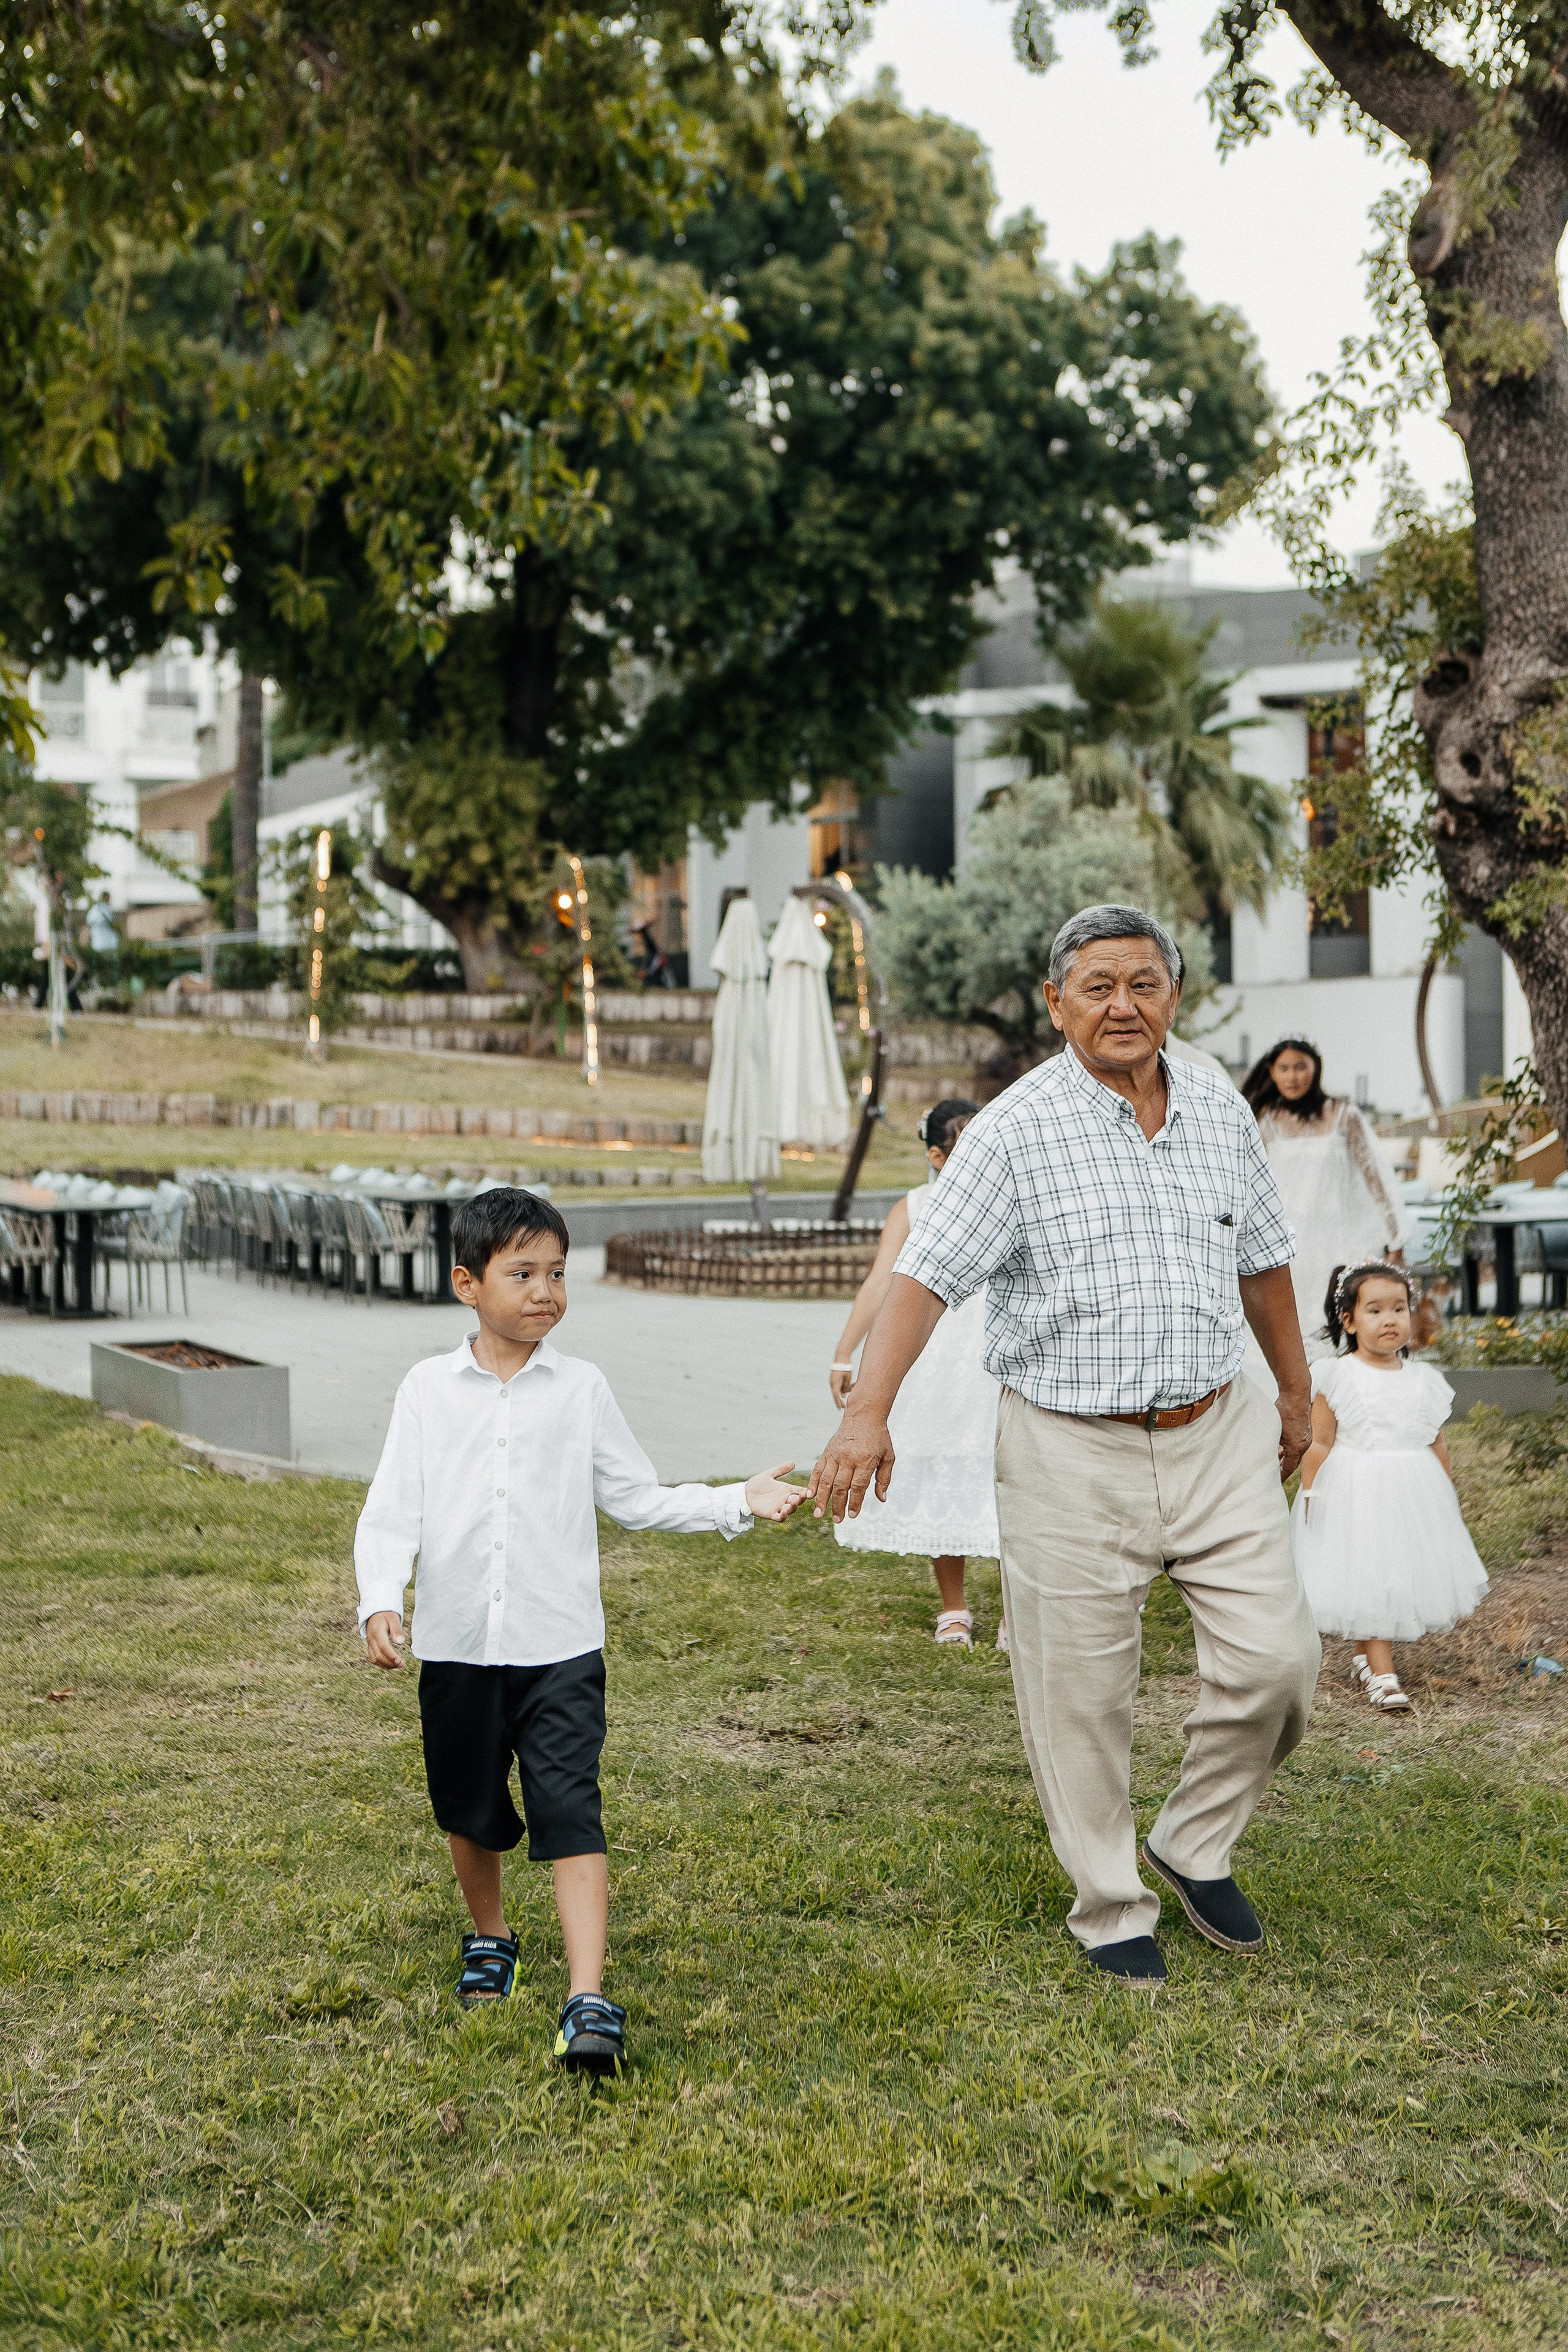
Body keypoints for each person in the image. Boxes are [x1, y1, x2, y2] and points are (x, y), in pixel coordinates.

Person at [809, 903, 1322, 1988]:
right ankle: (1111, 1902)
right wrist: (869, 1413)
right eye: (1097, 987)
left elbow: (1265, 1262)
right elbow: (926, 1277)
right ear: (1058, 1004)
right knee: (1078, 1697)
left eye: (1144, 983)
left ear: (1174, 994)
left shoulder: (1223, 1109)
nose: (1123, 1006)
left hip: (1216, 1430)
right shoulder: (1011, 1131)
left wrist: (1292, 1389)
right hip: (1067, 1448)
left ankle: (1191, 1843)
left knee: (1280, 1666)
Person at [355, 1186, 804, 2074]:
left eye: (557, 1273)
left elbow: (634, 1498)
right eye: (521, 1274)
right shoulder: (426, 1391)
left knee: (570, 1807)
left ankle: (588, 1998)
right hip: (457, 1648)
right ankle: (493, 1934)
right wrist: (381, 1597)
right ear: (466, 1285)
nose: (545, 1292)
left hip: (561, 1646)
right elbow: (391, 1508)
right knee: (468, 1807)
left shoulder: (582, 1388)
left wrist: (733, 1501)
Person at [829, 1098, 1004, 1650]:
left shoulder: (1009, 1203)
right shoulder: (915, 1208)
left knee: (1008, 1476)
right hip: (933, 1361)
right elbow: (881, 1284)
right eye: (965, 1148)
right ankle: (954, 1608)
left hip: (996, 1357)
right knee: (941, 1468)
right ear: (937, 1155)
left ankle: (1022, 1613)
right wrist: (845, 1353)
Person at [1292, 1260, 1488, 1716]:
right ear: (1349, 1320)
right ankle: (1382, 1670)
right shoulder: (1337, 1376)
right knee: (1370, 1572)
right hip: (1355, 1488)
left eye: (1399, 1309)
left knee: (1395, 1570)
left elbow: (1436, 1442)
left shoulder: (1425, 1381)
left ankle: (1365, 1654)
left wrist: (1443, 1496)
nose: (1390, 1320)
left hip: (1412, 1489)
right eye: (1375, 1310)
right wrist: (1310, 1492)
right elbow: (1320, 1443)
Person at [1242, 1039, 1406, 1356]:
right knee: (1291, 1332)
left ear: (1316, 1068)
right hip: (1289, 1242)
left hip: (1340, 1239)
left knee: (1341, 1325)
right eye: (1284, 1069)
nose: (1293, 1077)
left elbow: (1375, 1178)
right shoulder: (1265, 1123)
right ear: (1272, 1073)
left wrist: (1395, 1236)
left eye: (1301, 1067)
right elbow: (1251, 1185)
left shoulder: (1345, 1115)